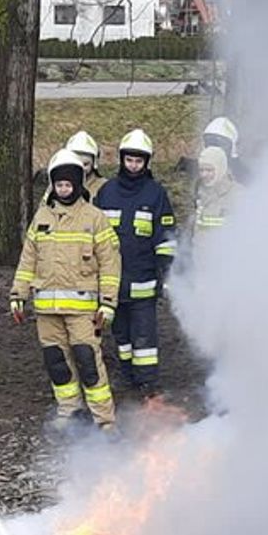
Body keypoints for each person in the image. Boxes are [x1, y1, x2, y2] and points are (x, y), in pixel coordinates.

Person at [10, 150, 120, 431]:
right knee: (56, 362)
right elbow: (28, 259)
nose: (63, 189)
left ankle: (104, 420)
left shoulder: (94, 218)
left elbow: (110, 263)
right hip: (47, 309)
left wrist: (108, 303)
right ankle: (69, 411)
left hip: (83, 309)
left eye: (68, 184)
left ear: (78, 184)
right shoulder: (42, 217)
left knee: (88, 361)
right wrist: (18, 295)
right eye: (59, 184)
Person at [96, 128, 176, 398]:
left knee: (144, 337)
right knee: (121, 335)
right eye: (129, 160)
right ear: (121, 159)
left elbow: (166, 237)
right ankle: (127, 374)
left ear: (146, 162)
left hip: (143, 281)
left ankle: (148, 383)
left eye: (138, 161)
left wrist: (166, 271)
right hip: (113, 281)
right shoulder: (107, 192)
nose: (133, 165)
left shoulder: (156, 194)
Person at [28, 130, 100, 220]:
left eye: (85, 164)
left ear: (94, 163)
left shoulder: (103, 187)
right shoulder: (54, 187)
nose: (82, 169)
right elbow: (43, 212)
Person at [192, 145, 238, 240]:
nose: (204, 174)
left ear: (221, 168)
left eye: (209, 170)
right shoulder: (198, 192)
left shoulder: (237, 195)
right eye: (201, 170)